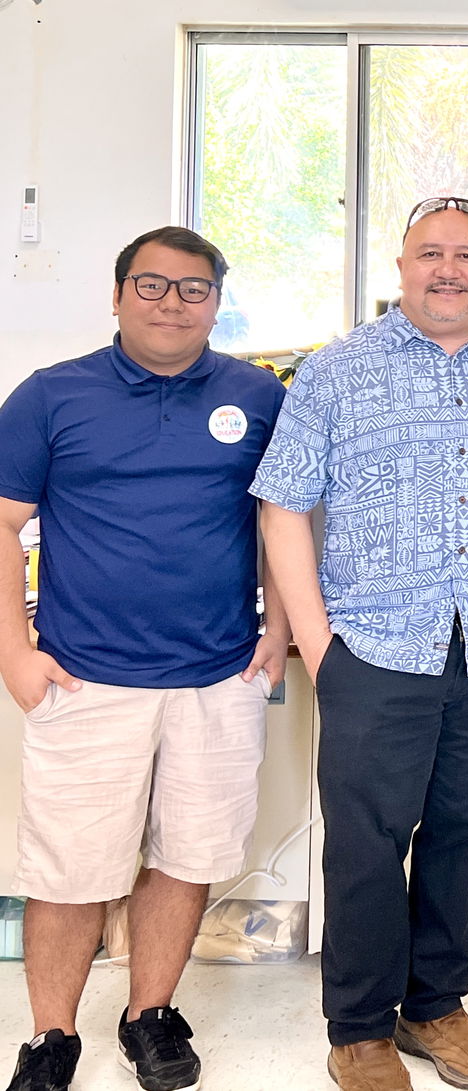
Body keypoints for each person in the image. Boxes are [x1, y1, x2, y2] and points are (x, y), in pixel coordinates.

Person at [251, 196, 468, 1091]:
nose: (449, 269)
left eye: (467, 255)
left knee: (466, 830)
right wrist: (319, 640)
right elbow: (282, 505)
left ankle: (434, 1004)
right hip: (372, 647)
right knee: (366, 840)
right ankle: (359, 1027)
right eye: (431, 252)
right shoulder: (337, 370)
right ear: (400, 267)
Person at [0, 226, 287, 1091]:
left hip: (218, 677)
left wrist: (277, 630)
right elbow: (3, 523)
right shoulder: (51, 395)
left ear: (216, 302)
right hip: (84, 677)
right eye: (153, 284)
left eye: (194, 288)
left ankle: (149, 1014)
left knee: (187, 856)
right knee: (69, 869)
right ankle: (52, 1037)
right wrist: (14, 651)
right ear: (119, 293)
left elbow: (281, 519)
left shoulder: (257, 395)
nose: (172, 302)